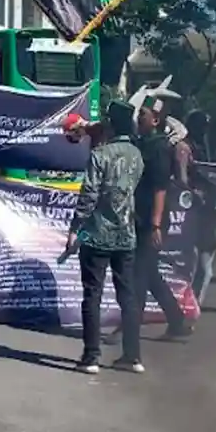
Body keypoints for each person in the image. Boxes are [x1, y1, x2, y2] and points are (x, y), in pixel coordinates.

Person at [66, 102, 144, 374]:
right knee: (128, 296)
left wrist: (75, 228)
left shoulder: (100, 155)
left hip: (97, 235)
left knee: (92, 295)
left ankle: (91, 356)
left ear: (111, 124)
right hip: (126, 236)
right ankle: (133, 356)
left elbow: (88, 196)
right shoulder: (137, 154)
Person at [133, 99, 191, 339]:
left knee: (140, 273)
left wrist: (156, 224)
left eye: (143, 115)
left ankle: (130, 327)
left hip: (152, 220)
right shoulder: (144, 144)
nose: (138, 119)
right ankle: (177, 321)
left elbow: (160, 188)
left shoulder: (159, 148)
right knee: (148, 273)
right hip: (140, 217)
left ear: (155, 120)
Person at [182, 110, 216, 306]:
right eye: (201, 126)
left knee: (205, 269)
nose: (204, 131)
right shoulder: (185, 148)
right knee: (191, 265)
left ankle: (192, 307)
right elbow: (181, 180)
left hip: (207, 214)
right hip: (189, 212)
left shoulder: (208, 148)